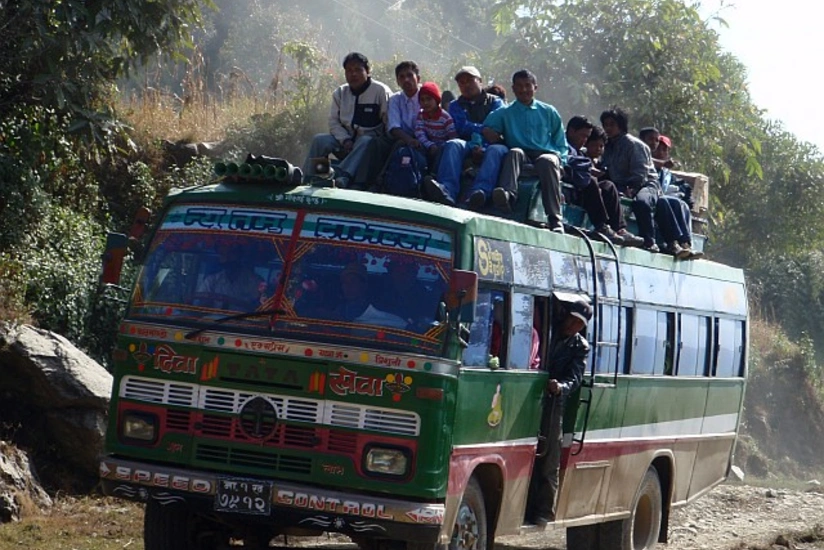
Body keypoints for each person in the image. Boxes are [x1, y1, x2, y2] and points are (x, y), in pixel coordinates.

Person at [525, 297, 592, 527]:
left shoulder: (580, 346)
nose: (573, 327)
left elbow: (575, 379)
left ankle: (544, 511)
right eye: (572, 321)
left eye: (579, 325)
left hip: (554, 402)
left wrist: (559, 387)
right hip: (529, 397)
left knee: (549, 456)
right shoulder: (545, 329)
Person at [483, 69, 567, 231]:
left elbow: (561, 144)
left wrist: (561, 161)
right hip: (522, 156)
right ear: (513, 89)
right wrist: (487, 134)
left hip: (546, 155)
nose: (523, 90)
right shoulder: (505, 112)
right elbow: (484, 128)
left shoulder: (549, 111)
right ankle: (507, 196)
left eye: (527, 86)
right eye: (519, 86)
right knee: (514, 152)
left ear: (535, 87)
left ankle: (555, 219)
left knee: (547, 161)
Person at [302, 52, 392, 189]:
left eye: (357, 70)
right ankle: (314, 176)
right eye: (349, 70)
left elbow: (388, 123)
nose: (353, 74)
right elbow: (333, 122)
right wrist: (345, 140)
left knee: (366, 140)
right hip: (346, 142)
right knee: (320, 140)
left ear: (367, 71)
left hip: (371, 146)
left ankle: (342, 175)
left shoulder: (380, 91)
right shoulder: (340, 93)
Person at [422, 66, 508, 208]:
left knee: (496, 150)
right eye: (461, 83)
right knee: (453, 144)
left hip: (492, 145)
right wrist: (483, 129)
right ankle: (447, 190)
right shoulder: (455, 105)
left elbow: (496, 127)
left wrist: (484, 143)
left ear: (480, 81)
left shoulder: (496, 102)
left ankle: (480, 192)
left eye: (469, 80)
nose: (465, 85)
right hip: (467, 143)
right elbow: (461, 126)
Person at [599, 107, 672, 252]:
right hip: (620, 184)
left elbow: (640, 173)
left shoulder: (634, 144)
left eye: (611, 124)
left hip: (646, 183)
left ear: (620, 125)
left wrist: (630, 188)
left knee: (641, 202)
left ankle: (649, 241)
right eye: (605, 124)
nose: (608, 128)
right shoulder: (607, 145)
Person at [563, 115, 643, 246]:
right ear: (571, 131)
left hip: (585, 190)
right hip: (573, 189)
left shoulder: (580, 153)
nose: (584, 140)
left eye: (586, 137)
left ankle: (619, 228)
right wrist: (588, 168)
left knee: (608, 186)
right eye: (582, 136)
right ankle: (601, 226)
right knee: (592, 180)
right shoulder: (563, 146)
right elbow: (567, 161)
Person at [654, 135, 703, 259]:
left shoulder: (668, 175)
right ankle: (673, 243)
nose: (660, 153)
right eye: (658, 149)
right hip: (653, 199)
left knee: (682, 204)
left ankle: (685, 243)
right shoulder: (648, 166)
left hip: (666, 201)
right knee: (665, 201)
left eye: (664, 150)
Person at [334, 262, 407, 328]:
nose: (347, 286)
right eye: (344, 282)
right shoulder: (339, 309)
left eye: (352, 281)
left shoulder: (379, 310)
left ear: (364, 285)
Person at [195, 246, 264, 310]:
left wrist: (228, 300)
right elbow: (200, 301)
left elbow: (258, 307)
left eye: (230, 254)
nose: (226, 257)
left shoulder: (255, 281)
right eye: (223, 254)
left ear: (239, 256)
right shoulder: (211, 280)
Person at [414, 82, 457, 172]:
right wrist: (430, 145)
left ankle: (435, 174)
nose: (425, 103)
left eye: (429, 99)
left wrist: (440, 147)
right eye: (422, 100)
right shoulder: (421, 115)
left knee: (442, 153)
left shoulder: (445, 118)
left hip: (442, 148)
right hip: (428, 146)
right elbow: (419, 132)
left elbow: (453, 137)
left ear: (436, 100)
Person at [387, 61, 422, 150]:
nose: (406, 80)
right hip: (404, 141)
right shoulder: (395, 99)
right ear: (398, 82)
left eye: (410, 75)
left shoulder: (427, 96)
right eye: (402, 77)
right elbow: (394, 128)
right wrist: (410, 141)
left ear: (418, 78)